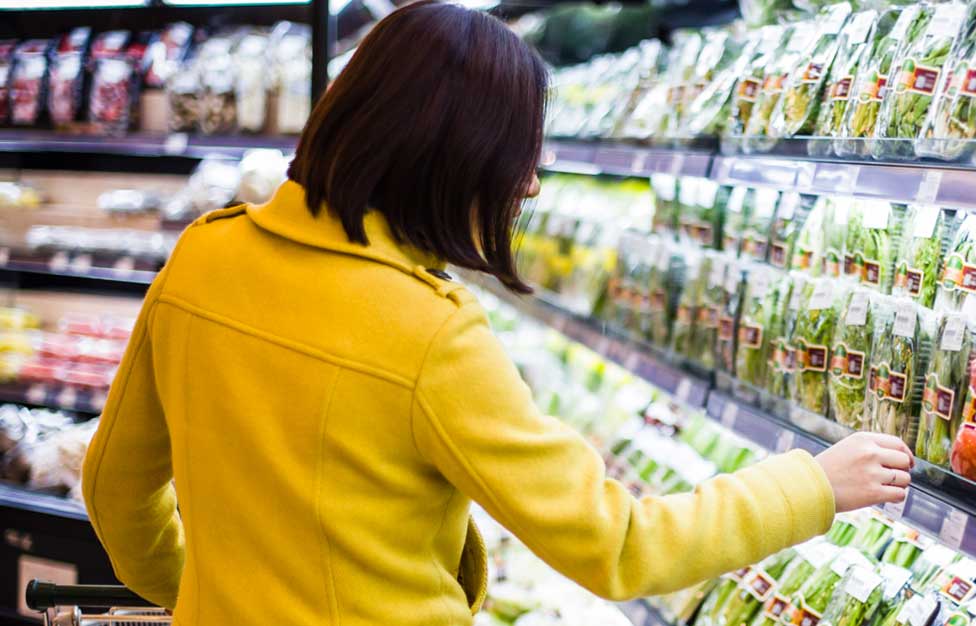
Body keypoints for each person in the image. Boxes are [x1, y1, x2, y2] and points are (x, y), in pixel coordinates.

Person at [80, 2, 914, 624]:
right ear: (451, 158)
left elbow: (114, 491)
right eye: (518, 157)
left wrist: (212, 597)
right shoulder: (425, 335)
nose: (531, 185)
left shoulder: (205, 254)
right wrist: (814, 483)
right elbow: (623, 547)